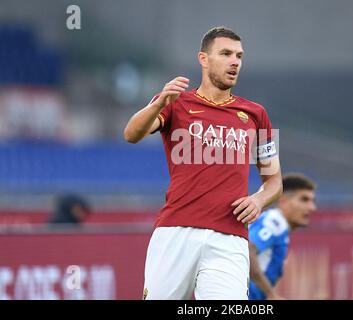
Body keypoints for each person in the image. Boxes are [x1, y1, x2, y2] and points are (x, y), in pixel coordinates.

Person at [123, 26, 282, 300]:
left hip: (229, 239)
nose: (235, 62)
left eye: (239, 56)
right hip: (175, 232)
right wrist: (158, 103)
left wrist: (258, 201)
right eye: (226, 54)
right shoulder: (176, 102)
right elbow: (131, 134)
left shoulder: (256, 114)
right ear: (203, 59)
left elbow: (274, 181)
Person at [248, 173, 317, 300]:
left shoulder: (281, 229)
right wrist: (271, 295)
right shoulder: (274, 222)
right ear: (283, 199)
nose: (312, 207)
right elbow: (248, 249)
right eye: (304, 199)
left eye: (313, 201)